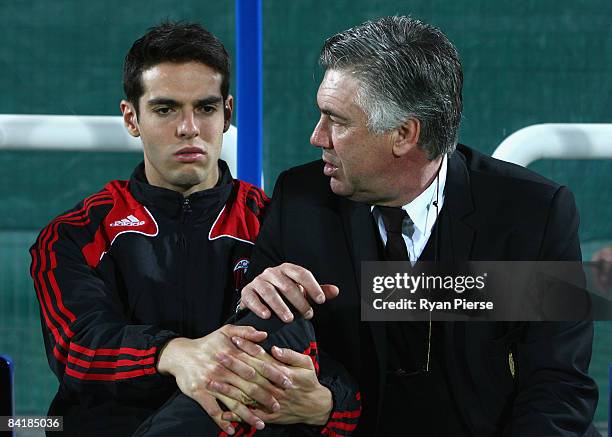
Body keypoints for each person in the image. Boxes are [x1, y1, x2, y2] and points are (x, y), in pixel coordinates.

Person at [238, 16, 600, 436]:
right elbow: (257, 357)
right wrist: (253, 302)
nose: (317, 137)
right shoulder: (299, 200)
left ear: (405, 134)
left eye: (336, 120)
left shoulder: (533, 213)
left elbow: (558, 387)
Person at [30, 22, 358, 437]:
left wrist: (327, 406)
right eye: (165, 109)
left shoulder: (281, 225)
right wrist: (173, 353)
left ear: (227, 114)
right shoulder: (74, 235)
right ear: (131, 118)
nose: (189, 128)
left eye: (205, 108)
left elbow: (343, 362)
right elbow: (78, 348)